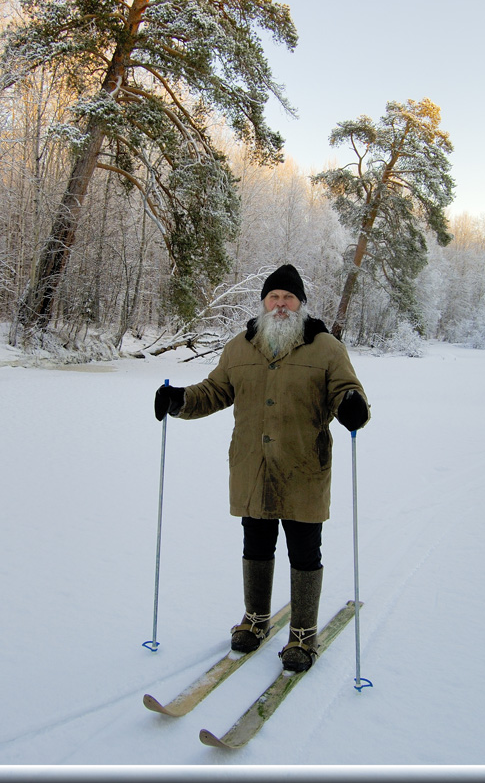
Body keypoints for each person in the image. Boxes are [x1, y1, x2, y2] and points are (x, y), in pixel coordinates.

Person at [154, 264, 370, 673]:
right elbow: (216, 390)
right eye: (274, 297)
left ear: (301, 304)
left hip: (304, 465)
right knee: (256, 544)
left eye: (289, 298)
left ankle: (303, 633)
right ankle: (255, 619)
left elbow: (345, 389)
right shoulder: (240, 347)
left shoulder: (325, 347)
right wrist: (179, 400)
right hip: (252, 465)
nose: (281, 304)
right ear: (264, 303)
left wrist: (352, 406)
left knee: (304, 549)